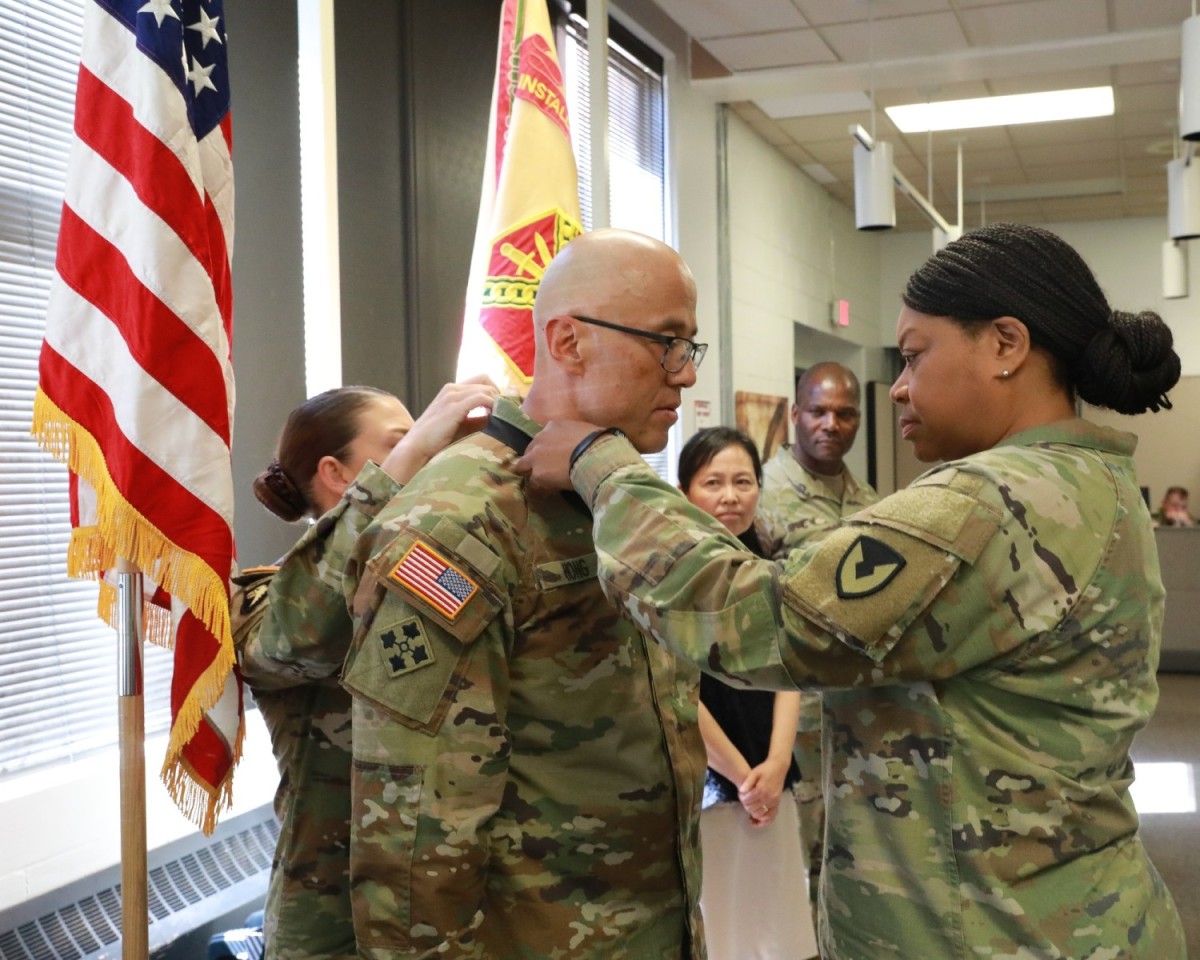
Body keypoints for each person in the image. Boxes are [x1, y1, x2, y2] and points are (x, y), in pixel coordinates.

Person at [519, 222, 1187, 959]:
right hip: (1068, 910)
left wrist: (601, 467)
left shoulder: (988, 501)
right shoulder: (1095, 482)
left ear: (1006, 345)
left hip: (989, 931)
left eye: (913, 355)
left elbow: (753, 624)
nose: (898, 386)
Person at [336, 228, 708, 958]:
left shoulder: (618, 495)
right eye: (666, 343)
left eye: (689, 346)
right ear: (567, 342)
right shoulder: (459, 519)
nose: (685, 375)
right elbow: (413, 840)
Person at [232, 378, 499, 960]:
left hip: (444, 906)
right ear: (337, 474)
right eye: (403, 441)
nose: (429, 452)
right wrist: (405, 465)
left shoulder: (431, 577)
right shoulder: (266, 596)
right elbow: (307, 633)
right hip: (334, 913)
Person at [678, 426, 816, 960]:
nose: (730, 495)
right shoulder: (674, 577)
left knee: (780, 927)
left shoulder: (773, 570)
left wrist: (777, 764)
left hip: (772, 775)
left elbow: (790, 670)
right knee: (722, 927)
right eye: (713, 482)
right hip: (708, 777)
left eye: (743, 481)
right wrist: (740, 777)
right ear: (685, 491)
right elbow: (678, 689)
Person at [757, 361, 877, 919]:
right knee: (789, 861)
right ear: (796, 414)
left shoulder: (867, 497)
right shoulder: (760, 494)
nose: (832, 424)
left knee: (851, 852)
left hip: (856, 713)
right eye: (820, 411)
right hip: (790, 714)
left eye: (845, 413)